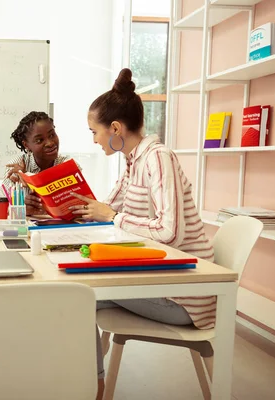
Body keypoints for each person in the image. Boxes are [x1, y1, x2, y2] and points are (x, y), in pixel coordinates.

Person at [69, 68, 215, 400]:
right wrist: (66, 210)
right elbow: (107, 209)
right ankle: (91, 381)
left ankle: (93, 387)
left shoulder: (157, 158)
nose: (93, 139)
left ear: (115, 129)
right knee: (74, 294)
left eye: (94, 132)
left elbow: (170, 232)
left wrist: (113, 216)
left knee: (78, 296)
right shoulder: (133, 161)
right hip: (162, 279)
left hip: (186, 298)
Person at [1, 111, 70, 216]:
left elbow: (81, 207)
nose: (50, 143)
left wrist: (30, 177)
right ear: (26, 145)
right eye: (39, 140)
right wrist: (21, 209)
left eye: (52, 135)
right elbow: (3, 210)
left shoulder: (67, 165)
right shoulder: (15, 169)